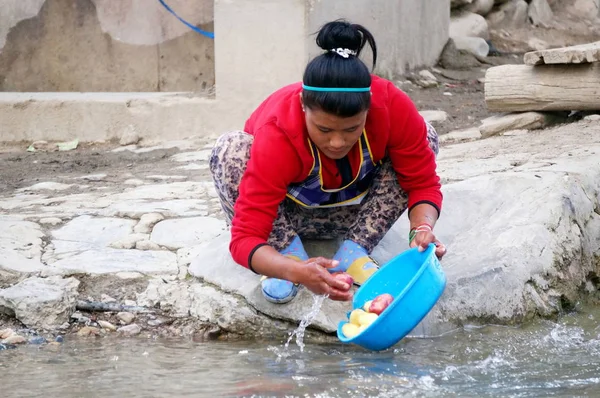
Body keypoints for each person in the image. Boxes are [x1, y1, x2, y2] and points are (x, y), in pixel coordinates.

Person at [209, 20, 446, 305]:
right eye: (323, 130)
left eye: (351, 129)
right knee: (231, 149)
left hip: (351, 216)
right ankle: (288, 252)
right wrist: (295, 270)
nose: (337, 142)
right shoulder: (278, 130)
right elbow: (245, 237)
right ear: (302, 105)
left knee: (426, 135)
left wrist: (421, 229)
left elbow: (422, 184)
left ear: (368, 108)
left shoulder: (392, 106)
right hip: (284, 220)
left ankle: (354, 251)